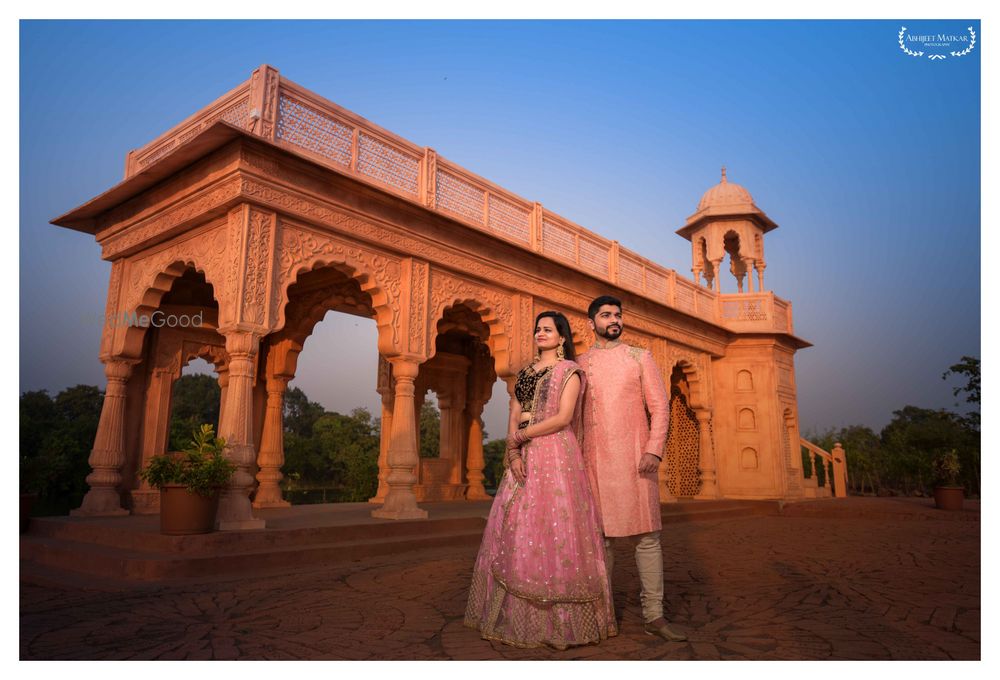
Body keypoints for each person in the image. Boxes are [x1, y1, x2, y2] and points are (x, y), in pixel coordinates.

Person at [465, 311, 616, 649]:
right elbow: (514, 412)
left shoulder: (570, 372)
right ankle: (520, 616)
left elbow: (562, 418)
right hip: (525, 451)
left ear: (562, 337)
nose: (541, 333)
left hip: (555, 454)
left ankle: (561, 624)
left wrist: (523, 437)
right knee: (520, 526)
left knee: (555, 528)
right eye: (537, 329)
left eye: (548, 329)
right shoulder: (527, 373)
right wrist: (514, 451)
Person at [577, 295, 688, 642]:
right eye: (606, 314)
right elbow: (575, 417)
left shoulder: (640, 357)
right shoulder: (580, 364)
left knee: (648, 539)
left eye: (618, 314)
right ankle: (601, 614)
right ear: (591, 322)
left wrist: (654, 450)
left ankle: (654, 615)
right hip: (594, 461)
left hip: (637, 460)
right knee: (602, 541)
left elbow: (660, 407)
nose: (614, 319)